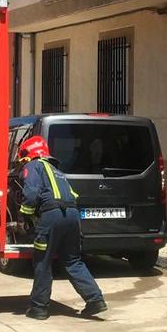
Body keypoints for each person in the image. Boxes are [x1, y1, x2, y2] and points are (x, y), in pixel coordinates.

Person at [17, 136, 107, 320]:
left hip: (52, 216)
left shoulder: (33, 166)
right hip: (73, 216)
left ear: (29, 154)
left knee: (43, 261)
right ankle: (95, 300)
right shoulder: (57, 171)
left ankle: (38, 308)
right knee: (73, 260)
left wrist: (24, 216)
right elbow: (72, 195)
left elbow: (32, 194)